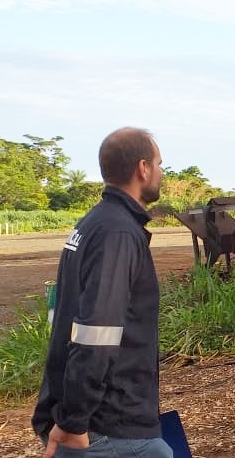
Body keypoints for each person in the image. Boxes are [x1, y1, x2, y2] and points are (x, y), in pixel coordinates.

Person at [32, 128, 172, 458]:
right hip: (110, 423)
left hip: (96, 416)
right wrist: (73, 421)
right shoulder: (118, 233)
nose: (161, 172)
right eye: (159, 163)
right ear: (143, 168)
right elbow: (97, 333)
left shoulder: (94, 222)